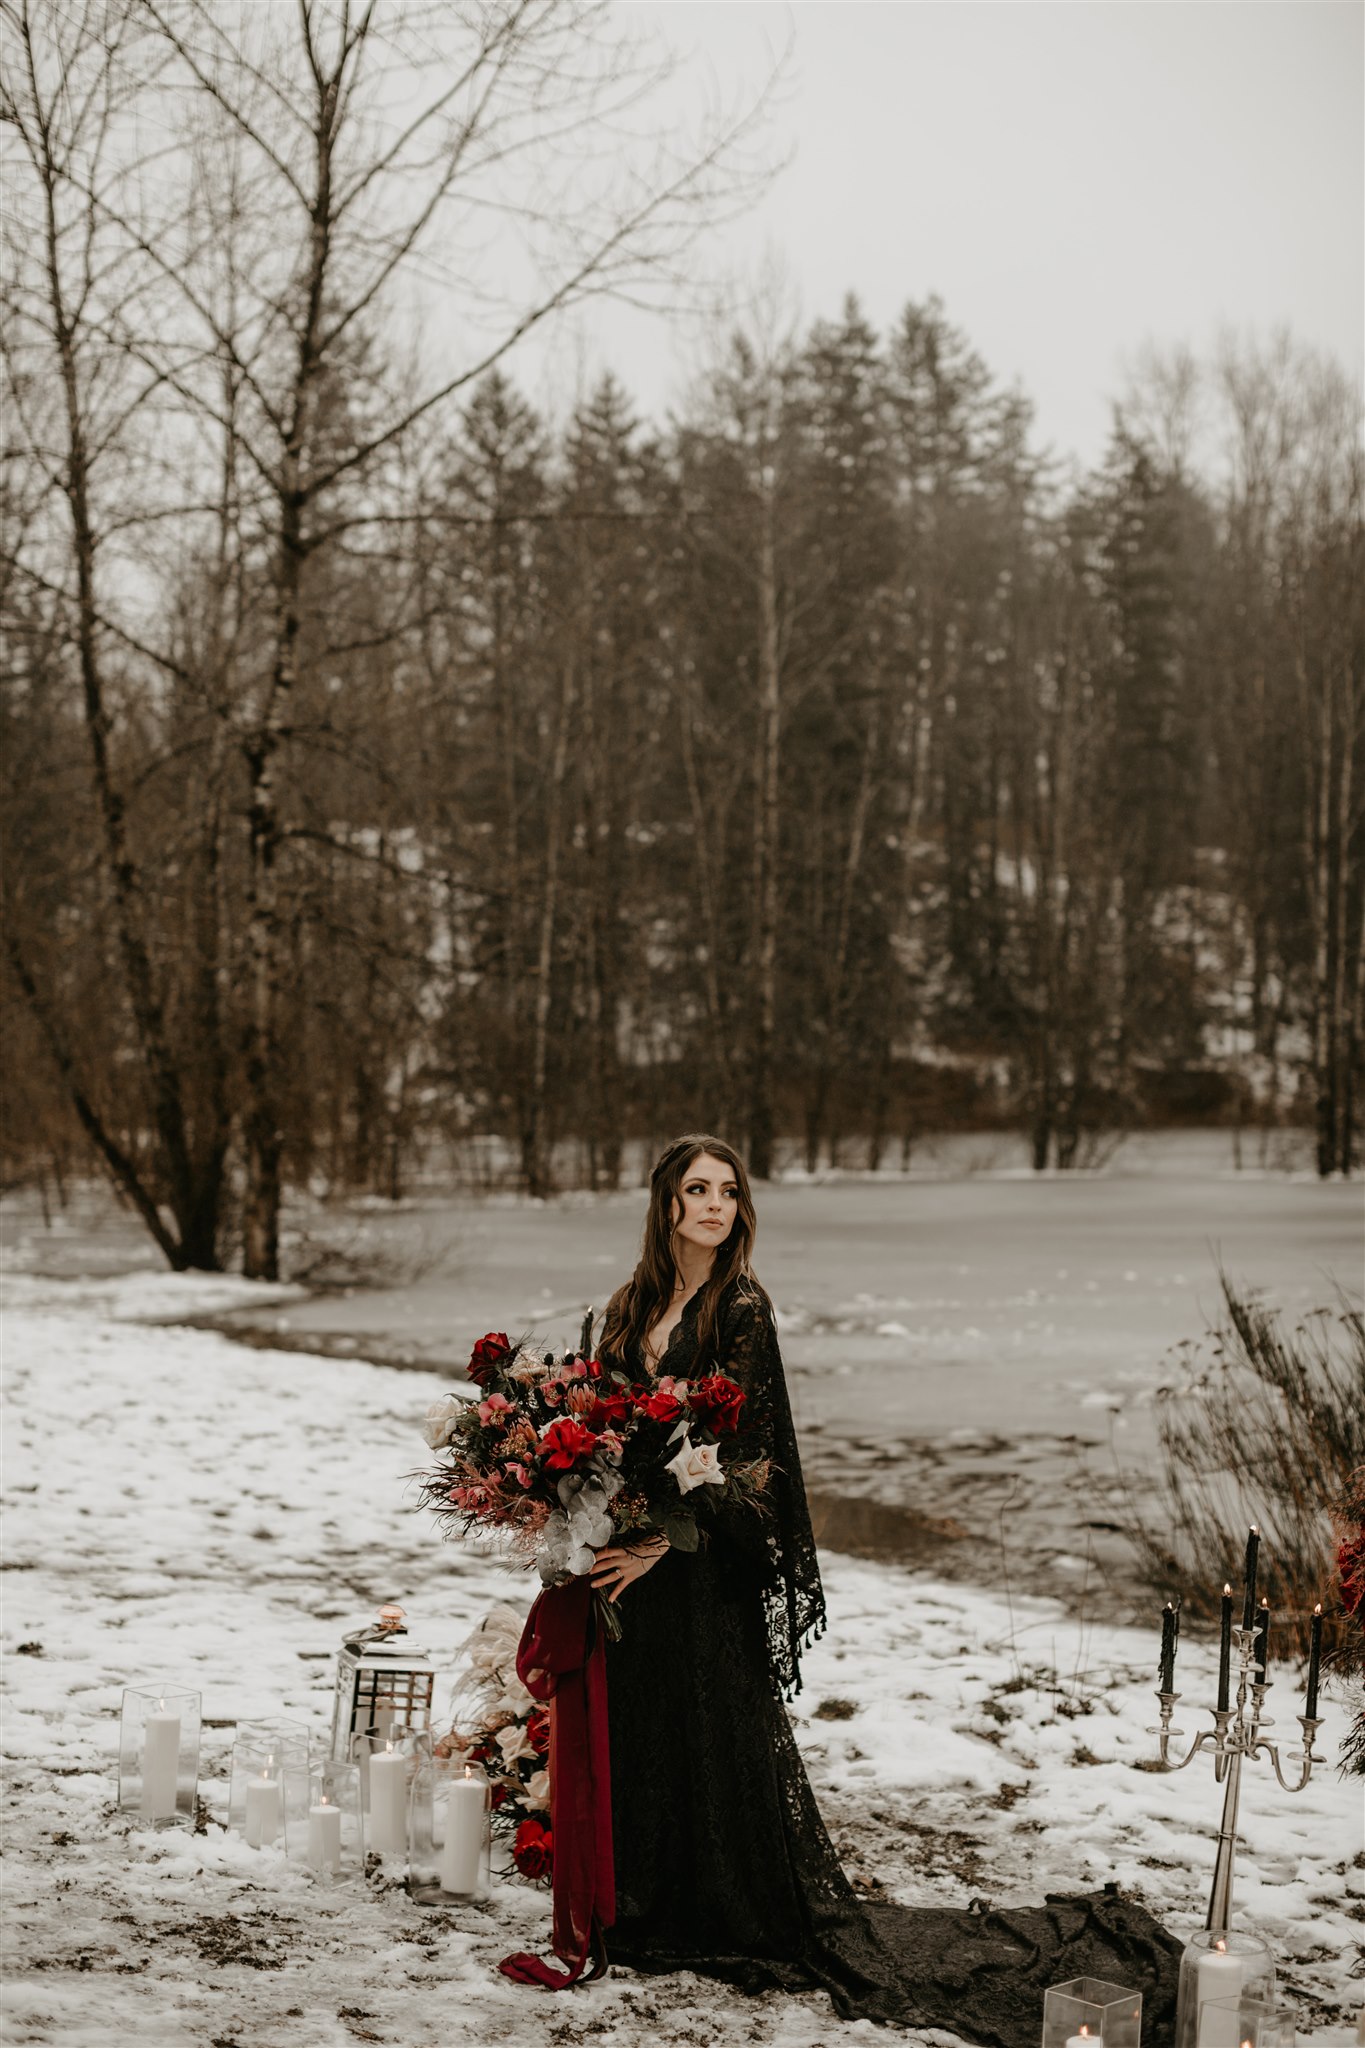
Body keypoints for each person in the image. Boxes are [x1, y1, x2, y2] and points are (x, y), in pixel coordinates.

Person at [584, 1132, 1181, 2046]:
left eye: (730, 1193)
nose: (715, 1207)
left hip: (703, 1562)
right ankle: (647, 1897)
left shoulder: (739, 1307)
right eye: (697, 1190)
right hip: (629, 1558)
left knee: (713, 1724)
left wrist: (665, 1542)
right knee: (647, 1719)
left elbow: (745, 1454)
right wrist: (580, 1508)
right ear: (663, 1203)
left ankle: (725, 1910)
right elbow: (606, 1430)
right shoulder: (628, 1307)